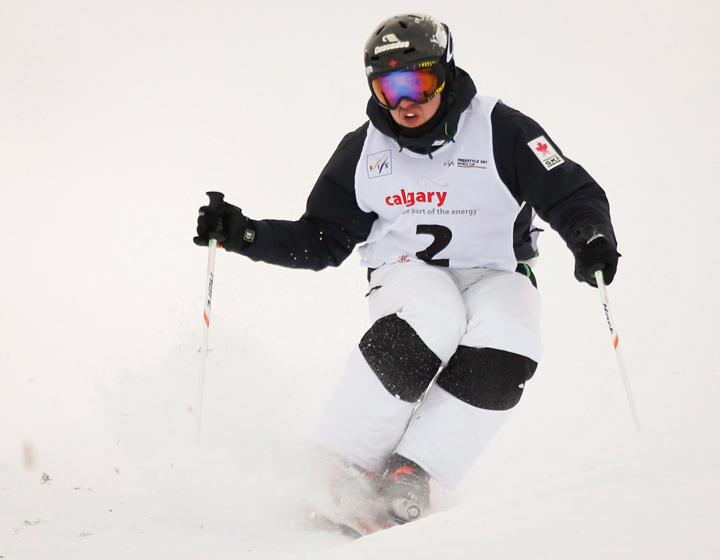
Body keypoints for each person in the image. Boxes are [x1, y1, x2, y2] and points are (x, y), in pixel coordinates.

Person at [193, 14, 619, 524]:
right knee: (433, 315)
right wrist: (246, 234)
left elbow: (569, 191)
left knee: (513, 339)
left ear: (444, 74)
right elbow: (322, 239)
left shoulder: (501, 129)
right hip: (406, 269)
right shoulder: (364, 151)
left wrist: (590, 238)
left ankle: (412, 471)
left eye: (416, 83)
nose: (404, 103)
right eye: (388, 87)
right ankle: (342, 462)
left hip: (496, 270)